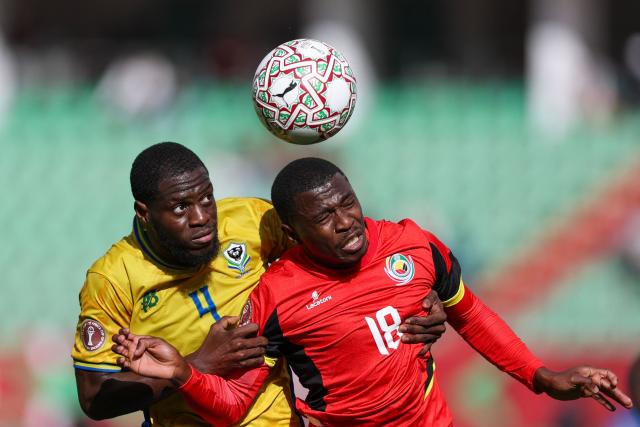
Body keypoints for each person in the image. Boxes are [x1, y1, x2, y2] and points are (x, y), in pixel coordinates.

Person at [72, 143, 448, 426]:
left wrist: (414, 297)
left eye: (207, 198)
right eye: (181, 208)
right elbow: (93, 400)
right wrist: (198, 364)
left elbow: (344, 262)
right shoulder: (113, 278)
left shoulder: (254, 222)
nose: (202, 217)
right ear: (144, 212)